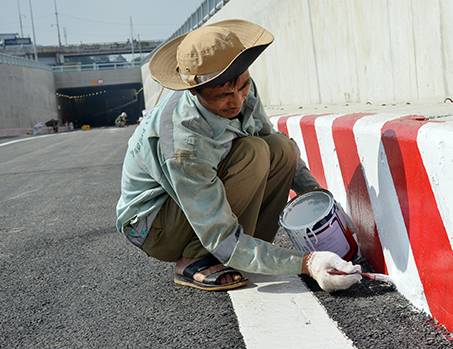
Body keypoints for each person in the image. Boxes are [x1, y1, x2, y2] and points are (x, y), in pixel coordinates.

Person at [116, 19, 361, 292]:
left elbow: (271, 138)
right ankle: (195, 257)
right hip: (157, 226)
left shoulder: (239, 84)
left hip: (197, 200)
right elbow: (219, 235)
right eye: (223, 95)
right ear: (195, 91)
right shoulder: (185, 143)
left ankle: (244, 250)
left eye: (242, 86)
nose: (237, 101)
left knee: (280, 148)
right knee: (252, 153)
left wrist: (322, 199)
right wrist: (309, 263)